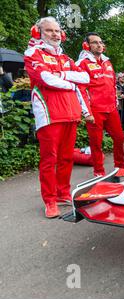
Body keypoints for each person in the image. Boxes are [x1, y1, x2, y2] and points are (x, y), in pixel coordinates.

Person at [24, 17, 94, 218]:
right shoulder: (33, 53)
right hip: (48, 113)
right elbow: (45, 79)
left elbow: (85, 78)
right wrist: (69, 80)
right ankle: (50, 200)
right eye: (49, 31)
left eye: (57, 31)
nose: (55, 34)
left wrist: (61, 75)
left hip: (70, 111)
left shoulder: (66, 58)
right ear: (38, 33)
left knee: (66, 157)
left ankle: (63, 193)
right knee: (49, 159)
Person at [77, 32, 124, 177]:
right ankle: (99, 171)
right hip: (95, 110)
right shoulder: (82, 63)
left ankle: (119, 164)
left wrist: (115, 103)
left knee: (119, 137)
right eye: (95, 42)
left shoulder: (107, 62)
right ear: (87, 46)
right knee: (96, 142)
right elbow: (80, 89)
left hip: (111, 108)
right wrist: (86, 112)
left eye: (100, 42)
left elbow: (113, 85)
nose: (99, 45)